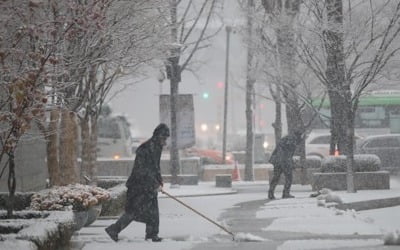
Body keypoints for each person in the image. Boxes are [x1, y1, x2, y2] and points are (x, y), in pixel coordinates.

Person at [105, 123, 170, 242]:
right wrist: (154, 182)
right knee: (134, 211)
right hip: (138, 185)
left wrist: (159, 180)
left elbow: (155, 167)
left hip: (149, 186)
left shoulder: (157, 147)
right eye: (163, 138)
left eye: (166, 138)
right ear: (157, 136)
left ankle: (152, 234)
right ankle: (114, 229)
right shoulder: (145, 149)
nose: (165, 141)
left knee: (153, 211)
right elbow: (142, 169)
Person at [268, 130, 303, 199]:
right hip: (283, 161)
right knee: (289, 177)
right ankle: (286, 193)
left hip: (277, 160)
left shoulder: (287, 138)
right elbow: (287, 153)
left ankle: (270, 193)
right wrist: (290, 164)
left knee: (276, 177)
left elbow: (283, 151)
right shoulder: (292, 140)